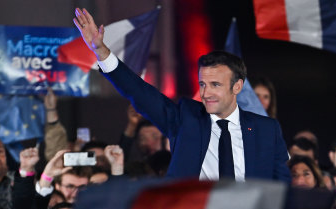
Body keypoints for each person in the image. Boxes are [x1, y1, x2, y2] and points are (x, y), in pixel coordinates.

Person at [72, 8, 290, 182]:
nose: (206, 93)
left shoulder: (266, 130)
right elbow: (140, 92)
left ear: (237, 87)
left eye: (215, 84)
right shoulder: (186, 118)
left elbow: (282, 190)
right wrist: (101, 51)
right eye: (202, 84)